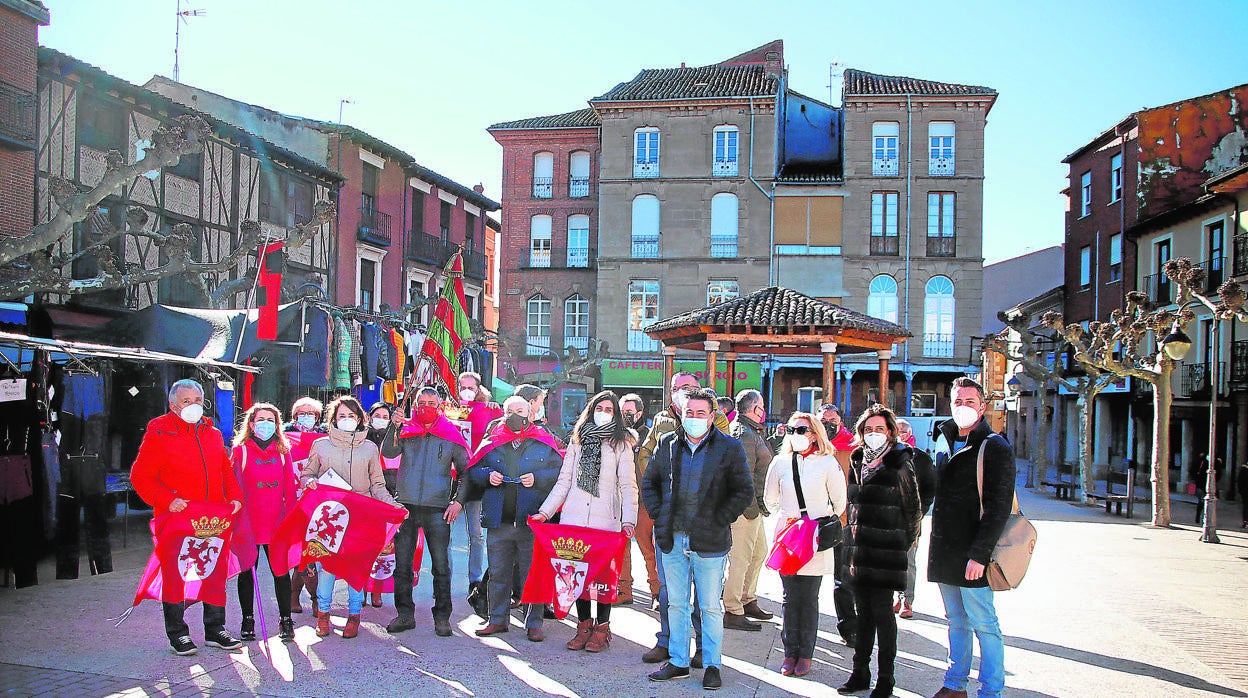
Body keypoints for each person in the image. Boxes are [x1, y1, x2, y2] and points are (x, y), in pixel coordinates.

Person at [642, 388, 754, 691]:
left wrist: (719, 518)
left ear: (712, 416)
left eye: (700, 413)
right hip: (672, 539)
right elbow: (649, 482)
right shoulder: (667, 444)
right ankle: (678, 661)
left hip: (709, 540)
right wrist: (658, 513)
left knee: (709, 607)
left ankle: (712, 664)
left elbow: (743, 491)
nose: (693, 418)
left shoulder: (729, 448)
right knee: (676, 604)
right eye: (689, 412)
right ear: (681, 413)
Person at [129, 379, 244, 656]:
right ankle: (178, 634)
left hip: (212, 518)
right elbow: (141, 476)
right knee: (175, 573)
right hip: (178, 517)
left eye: (196, 401)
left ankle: (216, 629)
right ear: (172, 405)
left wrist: (235, 496)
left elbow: (224, 470)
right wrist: (168, 500)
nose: (192, 406)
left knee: (214, 572)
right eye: (185, 401)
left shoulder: (212, 433)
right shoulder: (159, 432)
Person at [533, 390, 638, 653]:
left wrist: (629, 520)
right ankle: (583, 626)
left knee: (602, 579)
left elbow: (627, 485)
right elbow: (564, 481)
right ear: (590, 411)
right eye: (599, 408)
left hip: (606, 524)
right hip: (575, 520)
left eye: (609, 410)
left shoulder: (621, 443)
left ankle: (602, 629)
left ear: (615, 415)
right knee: (577, 577)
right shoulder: (578, 441)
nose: (604, 413)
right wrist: (545, 512)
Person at [929, 377, 1015, 698]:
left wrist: (980, 554)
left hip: (973, 553)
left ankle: (991, 691)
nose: (962, 407)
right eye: (957, 402)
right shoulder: (944, 439)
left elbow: (998, 508)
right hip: (946, 551)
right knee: (956, 621)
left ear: (982, 406)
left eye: (969, 401)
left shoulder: (994, 446)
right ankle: (955, 684)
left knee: (984, 623)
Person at [636, 372, 730, 664]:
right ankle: (667, 642)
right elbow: (645, 459)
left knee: (705, 594)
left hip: (706, 524)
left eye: (689, 387)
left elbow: (729, 468)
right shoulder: (661, 421)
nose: (683, 392)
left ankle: (704, 648)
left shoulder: (718, 421)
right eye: (677, 388)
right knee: (670, 592)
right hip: (670, 521)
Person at [837, 404, 922, 698]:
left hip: (887, 550)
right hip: (860, 549)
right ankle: (859, 672)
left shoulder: (900, 461)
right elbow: (852, 504)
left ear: (890, 432)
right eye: (869, 429)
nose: (874, 434)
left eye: (880, 429)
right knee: (863, 615)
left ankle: (886, 679)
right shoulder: (858, 459)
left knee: (883, 615)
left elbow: (913, 509)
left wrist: (901, 543)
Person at [300, 395, 401, 640]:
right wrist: (310, 482)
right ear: (333, 419)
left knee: (357, 568)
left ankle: (354, 615)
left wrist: (393, 506)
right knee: (327, 568)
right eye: (341, 416)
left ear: (359, 419)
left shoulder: (369, 448)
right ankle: (323, 615)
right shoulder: (321, 445)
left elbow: (378, 485)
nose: (346, 420)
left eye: (351, 416)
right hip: (331, 517)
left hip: (361, 517)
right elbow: (307, 474)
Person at [468, 395, 563, 642]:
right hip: (498, 520)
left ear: (530, 412)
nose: (515, 415)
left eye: (520, 410)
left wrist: (538, 478)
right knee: (498, 574)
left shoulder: (543, 440)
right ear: (503, 413)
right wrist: (488, 476)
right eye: (510, 411)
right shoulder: (492, 440)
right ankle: (497, 620)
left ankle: (534, 623)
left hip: (531, 521)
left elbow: (559, 473)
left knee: (532, 574)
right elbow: (473, 471)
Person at [763, 411, 846, 678]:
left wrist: (816, 518)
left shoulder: (827, 463)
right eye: (791, 429)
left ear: (814, 434)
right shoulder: (780, 462)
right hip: (788, 536)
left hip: (815, 537)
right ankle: (789, 652)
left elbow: (840, 503)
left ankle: (805, 654)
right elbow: (769, 500)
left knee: (809, 598)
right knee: (789, 598)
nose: (796, 435)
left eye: (802, 430)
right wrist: (789, 516)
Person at [381, 387, 469, 638]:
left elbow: (465, 472)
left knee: (441, 565)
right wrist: (393, 427)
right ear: (415, 404)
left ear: (440, 406)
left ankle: (442, 616)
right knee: (403, 565)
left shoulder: (451, 434)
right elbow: (389, 452)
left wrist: (458, 502)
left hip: (438, 508)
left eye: (432, 402)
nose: (426, 406)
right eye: (422, 402)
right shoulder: (406, 430)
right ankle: (405, 614)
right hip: (407, 505)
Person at [231, 402, 299, 643]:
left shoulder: (283, 451)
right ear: (251, 424)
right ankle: (247, 618)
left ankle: (286, 618)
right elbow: (234, 488)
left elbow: (290, 490)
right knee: (246, 572)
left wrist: (292, 523)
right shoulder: (241, 451)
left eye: (271, 420)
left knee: (280, 571)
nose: (266, 424)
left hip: (276, 522)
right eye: (261, 420)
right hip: (248, 521)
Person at [723, 389, 774, 631]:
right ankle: (733, 608)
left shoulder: (752, 431)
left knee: (758, 553)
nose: (764, 410)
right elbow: (743, 476)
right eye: (762, 406)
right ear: (754, 409)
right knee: (740, 559)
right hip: (745, 509)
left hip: (755, 508)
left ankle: (747, 598)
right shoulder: (743, 433)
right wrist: (751, 508)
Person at [457, 371, 502, 615]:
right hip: (453, 478)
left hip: (478, 477)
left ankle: (475, 581)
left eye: (471, 387)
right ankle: (442, 581)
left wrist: (495, 408)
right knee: (444, 535)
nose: (467, 391)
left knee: (477, 534)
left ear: (479, 388)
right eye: (463, 387)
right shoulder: (450, 409)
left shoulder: (489, 410)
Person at [818, 402, 858, 646]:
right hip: (813, 523)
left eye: (832, 421)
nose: (828, 425)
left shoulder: (853, 448)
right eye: (823, 421)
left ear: (840, 422)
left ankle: (849, 628)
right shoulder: (811, 447)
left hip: (843, 523)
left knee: (844, 579)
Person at [286, 396, 326, 615]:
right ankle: (310, 598)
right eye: (302, 413)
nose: (307, 417)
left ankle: (310, 597)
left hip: (317, 503)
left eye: (312, 414)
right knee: (299, 550)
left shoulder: (324, 437)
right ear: (294, 416)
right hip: (291, 502)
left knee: (311, 551)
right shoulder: (283, 437)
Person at [895, 418, 937, 620]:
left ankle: (907, 599)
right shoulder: (886, 456)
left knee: (908, 560)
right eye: (897, 430)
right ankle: (895, 594)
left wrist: (919, 512)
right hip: (888, 517)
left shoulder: (921, 458)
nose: (900, 434)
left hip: (911, 518)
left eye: (904, 431)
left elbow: (930, 489)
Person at [617, 392, 649, 605]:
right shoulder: (615, 434)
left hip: (645, 500)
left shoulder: (649, 435)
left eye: (629, 412)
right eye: (622, 412)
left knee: (649, 549)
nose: (625, 416)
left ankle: (656, 591)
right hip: (620, 499)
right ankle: (624, 590)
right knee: (621, 548)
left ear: (639, 413)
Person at [366, 401, 396, 608]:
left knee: (384, 547)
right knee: (363, 548)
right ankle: (360, 588)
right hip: (364, 496)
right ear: (369, 417)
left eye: (386, 417)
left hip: (388, 496)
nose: (382, 420)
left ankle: (377, 590)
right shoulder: (360, 438)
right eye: (378, 415)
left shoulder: (396, 438)